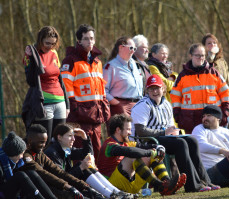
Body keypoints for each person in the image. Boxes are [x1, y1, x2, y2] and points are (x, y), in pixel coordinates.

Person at [131, 75, 220, 192]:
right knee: (181, 144)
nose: (155, 91)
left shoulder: (166, 104)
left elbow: (170, 126)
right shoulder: (143, 105)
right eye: (151, 89)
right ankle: (192, 186)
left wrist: (173, 132)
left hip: (163, 138)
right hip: (147, 141)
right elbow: (141, 132)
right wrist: (164, 132)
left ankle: (205, 180)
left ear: (163, 89)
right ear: (147, 91)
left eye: (157, 88)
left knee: (192, 140)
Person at [98, 114, 186, 195]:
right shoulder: (109, 145)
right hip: (110, 187)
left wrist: (158, 147)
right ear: (118, 130)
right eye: (128, 129)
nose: (130, 132)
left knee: (153, 153)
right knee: (133, 156)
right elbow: (130, 152)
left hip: (128, 186)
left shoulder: (127, 142)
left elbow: (144, 147)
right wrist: (150, 152)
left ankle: (167, 183)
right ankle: (160, 186)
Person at [61, 24, 110, 164]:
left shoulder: (97, 62)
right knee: (81, 156)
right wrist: (74, 107)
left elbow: (101, 88)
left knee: (97, 153)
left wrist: (104, 104)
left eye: (92, 38)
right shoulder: (70, 61)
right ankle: (82, 184)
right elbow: (66, 86)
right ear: (79, 41)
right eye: (86, 39)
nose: (90, 42)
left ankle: (97, 184)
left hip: (96, 115)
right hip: (80, 116)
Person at [44, 123, 134, 199]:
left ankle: (117, 193)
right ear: (59, 137)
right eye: (70, 136)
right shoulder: (52, 153)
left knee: (85, 167)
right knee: (82, 166)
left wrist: (84, 137)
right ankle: (112, 195)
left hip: (67, 182)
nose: (73, 139)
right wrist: (81, 167)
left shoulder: (64, 148)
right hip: (59, 189)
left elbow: (87, 154)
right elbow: (60, 179)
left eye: (73, 136)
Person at [22, 124, 101, 199]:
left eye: (45, 142)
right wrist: (68, 187)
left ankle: (108, 194)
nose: (43, 145)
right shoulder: (24, 154)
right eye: (41, 142)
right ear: (30, 140)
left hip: (45, 185)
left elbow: (58, 171)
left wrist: (85, 186)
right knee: (71, 194)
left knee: (85, 192)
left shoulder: (39, 152)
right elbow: (43, 173)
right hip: (30, 191)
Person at [22, 26, 69, 144]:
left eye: (53, 44)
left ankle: (59, 163)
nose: (50, 46)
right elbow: (30, 81)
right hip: (44, 104)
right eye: (47, 43)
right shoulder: (32, 53)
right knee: (45, 142)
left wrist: (67, 104)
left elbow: (60, 79)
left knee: (61, 141)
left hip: (60, 101)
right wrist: (31, 59)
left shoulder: (54, 53)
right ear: (40, 40)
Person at [170, 43, 229, 134]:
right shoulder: (182, 76)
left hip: (213, 121)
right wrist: (178, 117)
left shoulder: (214, 73)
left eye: (202, 55)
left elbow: (225, 94)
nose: (200, 58)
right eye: (197, 55)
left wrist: (225, 114)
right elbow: (174, 97)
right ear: (191, 56)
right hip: (190, 123)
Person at [0, 131, 57, 199]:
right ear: (13, 154)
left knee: (31, 173)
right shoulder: (2, 164)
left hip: (10, 191)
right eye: (21, 154)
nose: (22, 157)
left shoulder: (15, 163)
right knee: (20, 175)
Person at [103, 36, 143, 117]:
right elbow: (103, 90)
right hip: (120, 106)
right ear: (121, 47)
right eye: (131, 48)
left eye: (134, 49)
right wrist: (117, 103)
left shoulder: (134, 64)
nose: (133, 51)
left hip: (137, 106)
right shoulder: (111, 66)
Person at [202, 33, 229, 113]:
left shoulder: (222, 62)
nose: (212, 45)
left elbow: (228, 82)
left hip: (223, 101)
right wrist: (210, 57)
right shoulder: (201, 62)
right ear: (203, 46)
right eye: (209, 43)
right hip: (208, 103)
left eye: (214, 43)